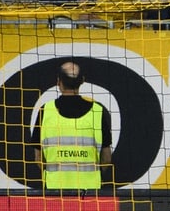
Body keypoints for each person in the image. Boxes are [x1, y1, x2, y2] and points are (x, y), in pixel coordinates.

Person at [31, 60, 113, 190]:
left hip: (55, 190)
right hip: (90, 192)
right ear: (82, 81)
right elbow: (106, 158)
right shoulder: (97, 111)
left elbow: (38, 158)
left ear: (58, 82)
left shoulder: (45, 111)